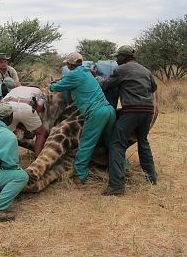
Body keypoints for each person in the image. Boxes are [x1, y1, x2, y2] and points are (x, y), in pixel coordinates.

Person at [48, 52, 116, 184]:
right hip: (109, 110)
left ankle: (79, 175)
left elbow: (56, 87)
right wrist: (61, 80)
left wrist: (49, 85)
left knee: (86, 143)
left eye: (67, 63)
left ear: (70, 64)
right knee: (113, 143)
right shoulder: (85, 71)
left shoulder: (73, 74)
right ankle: (123, 167)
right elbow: (70, 80)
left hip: (96, 113)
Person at [100, 45, 158, 196]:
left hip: (132, 111)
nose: (116, 60)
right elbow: (153, 87)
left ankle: (116, 185)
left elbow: (106, 85)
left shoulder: (121, 70)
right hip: (148, 111)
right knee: (143, 142)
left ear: (124, 57)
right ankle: (152, 177)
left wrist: (97, 77)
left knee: (116, 143)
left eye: (117, 57)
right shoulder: (145, 70)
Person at [1, 86, 47, 157]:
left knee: (5, 133)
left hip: (7, 106)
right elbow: (40, 105)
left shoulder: (15, 89)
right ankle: (37, 157)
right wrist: (34, 116)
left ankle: (3, 155)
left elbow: (2, 102)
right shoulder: (39, 91)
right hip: (25, 108)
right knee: (41, 132)